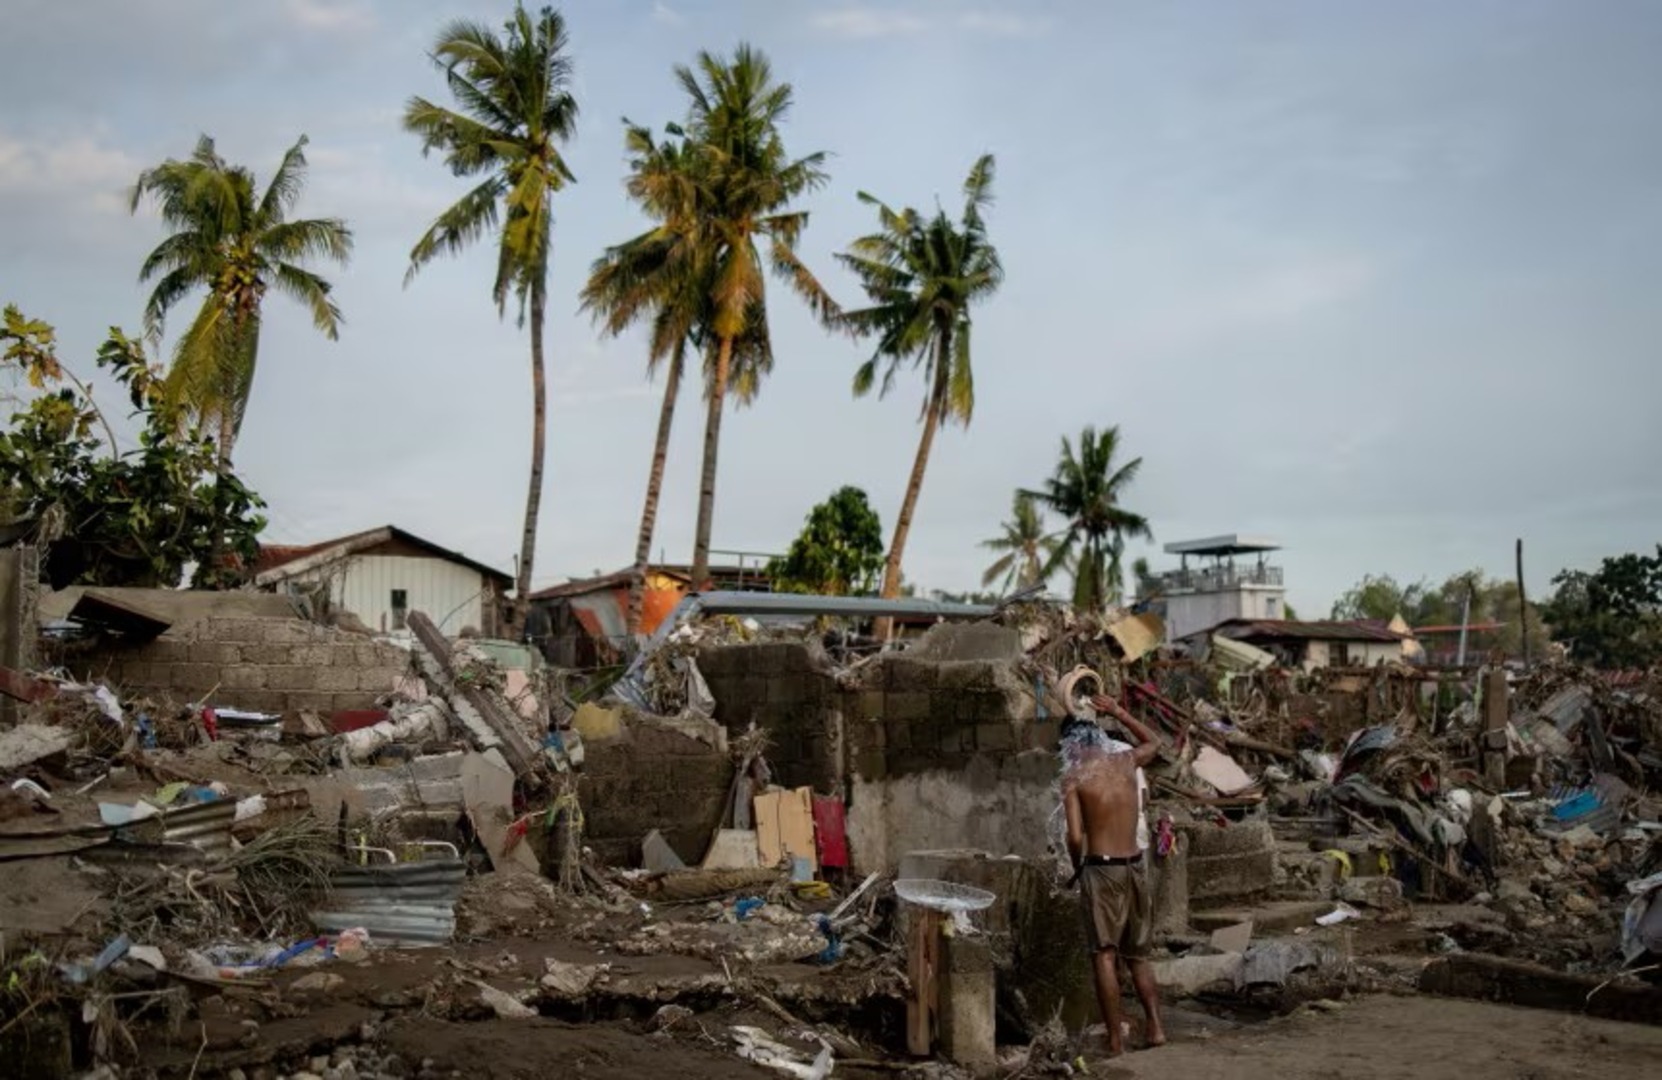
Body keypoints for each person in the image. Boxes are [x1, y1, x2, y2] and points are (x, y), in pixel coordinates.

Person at [1060, 695, 1166, 1055]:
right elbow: (1156, 743)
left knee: (1104, 954)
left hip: (1101, 868)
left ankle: (1116, 1039)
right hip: (1135, 863)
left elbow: (1074, 836)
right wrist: (1120, 711)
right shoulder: (1125, 760)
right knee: (1138, 955)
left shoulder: (1073, 777)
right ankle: (1155, 1027)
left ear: (1070, 745)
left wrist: (1078, 865)